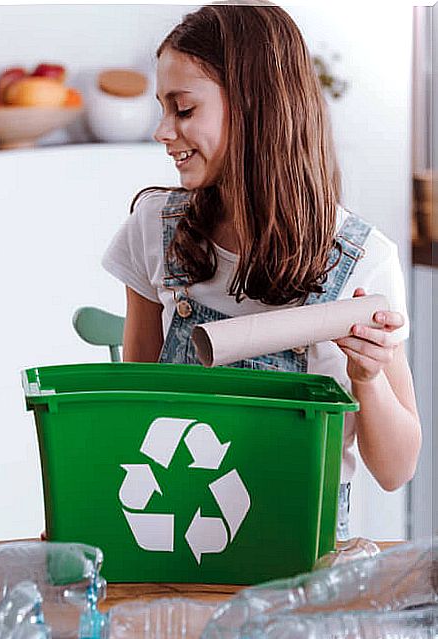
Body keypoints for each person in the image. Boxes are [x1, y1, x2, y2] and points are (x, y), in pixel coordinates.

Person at [101, 2, 420, 538]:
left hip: (301, 561)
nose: (162, 130)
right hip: (171, 539)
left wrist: (368, 379)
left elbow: (396, 470)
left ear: (254, 108)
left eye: (183, 109)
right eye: (162, 108)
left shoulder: (361, 261)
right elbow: (139, 412)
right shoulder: (156, 227)